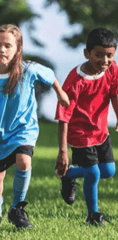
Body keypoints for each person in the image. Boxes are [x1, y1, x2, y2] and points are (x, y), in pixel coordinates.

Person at [0, 24, 70, 229]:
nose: (2, 50)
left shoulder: (29, 69)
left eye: (8, 45)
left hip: (23, 129)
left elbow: (50, 76)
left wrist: (60, 94)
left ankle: (18, 209)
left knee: (24, 162)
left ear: (18, 49)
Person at [55, 28, 117, 226]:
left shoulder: (112, 70)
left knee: (108, 171)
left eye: (109, 55)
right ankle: (93, 216)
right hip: (79, 134)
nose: (105, 61)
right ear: (87, 53)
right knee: (94, 174)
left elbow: (115, 93)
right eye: (99, 55)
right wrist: (63, 151)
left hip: (100, 132)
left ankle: (68, 174)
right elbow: (63, 117)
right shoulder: (75, 82)